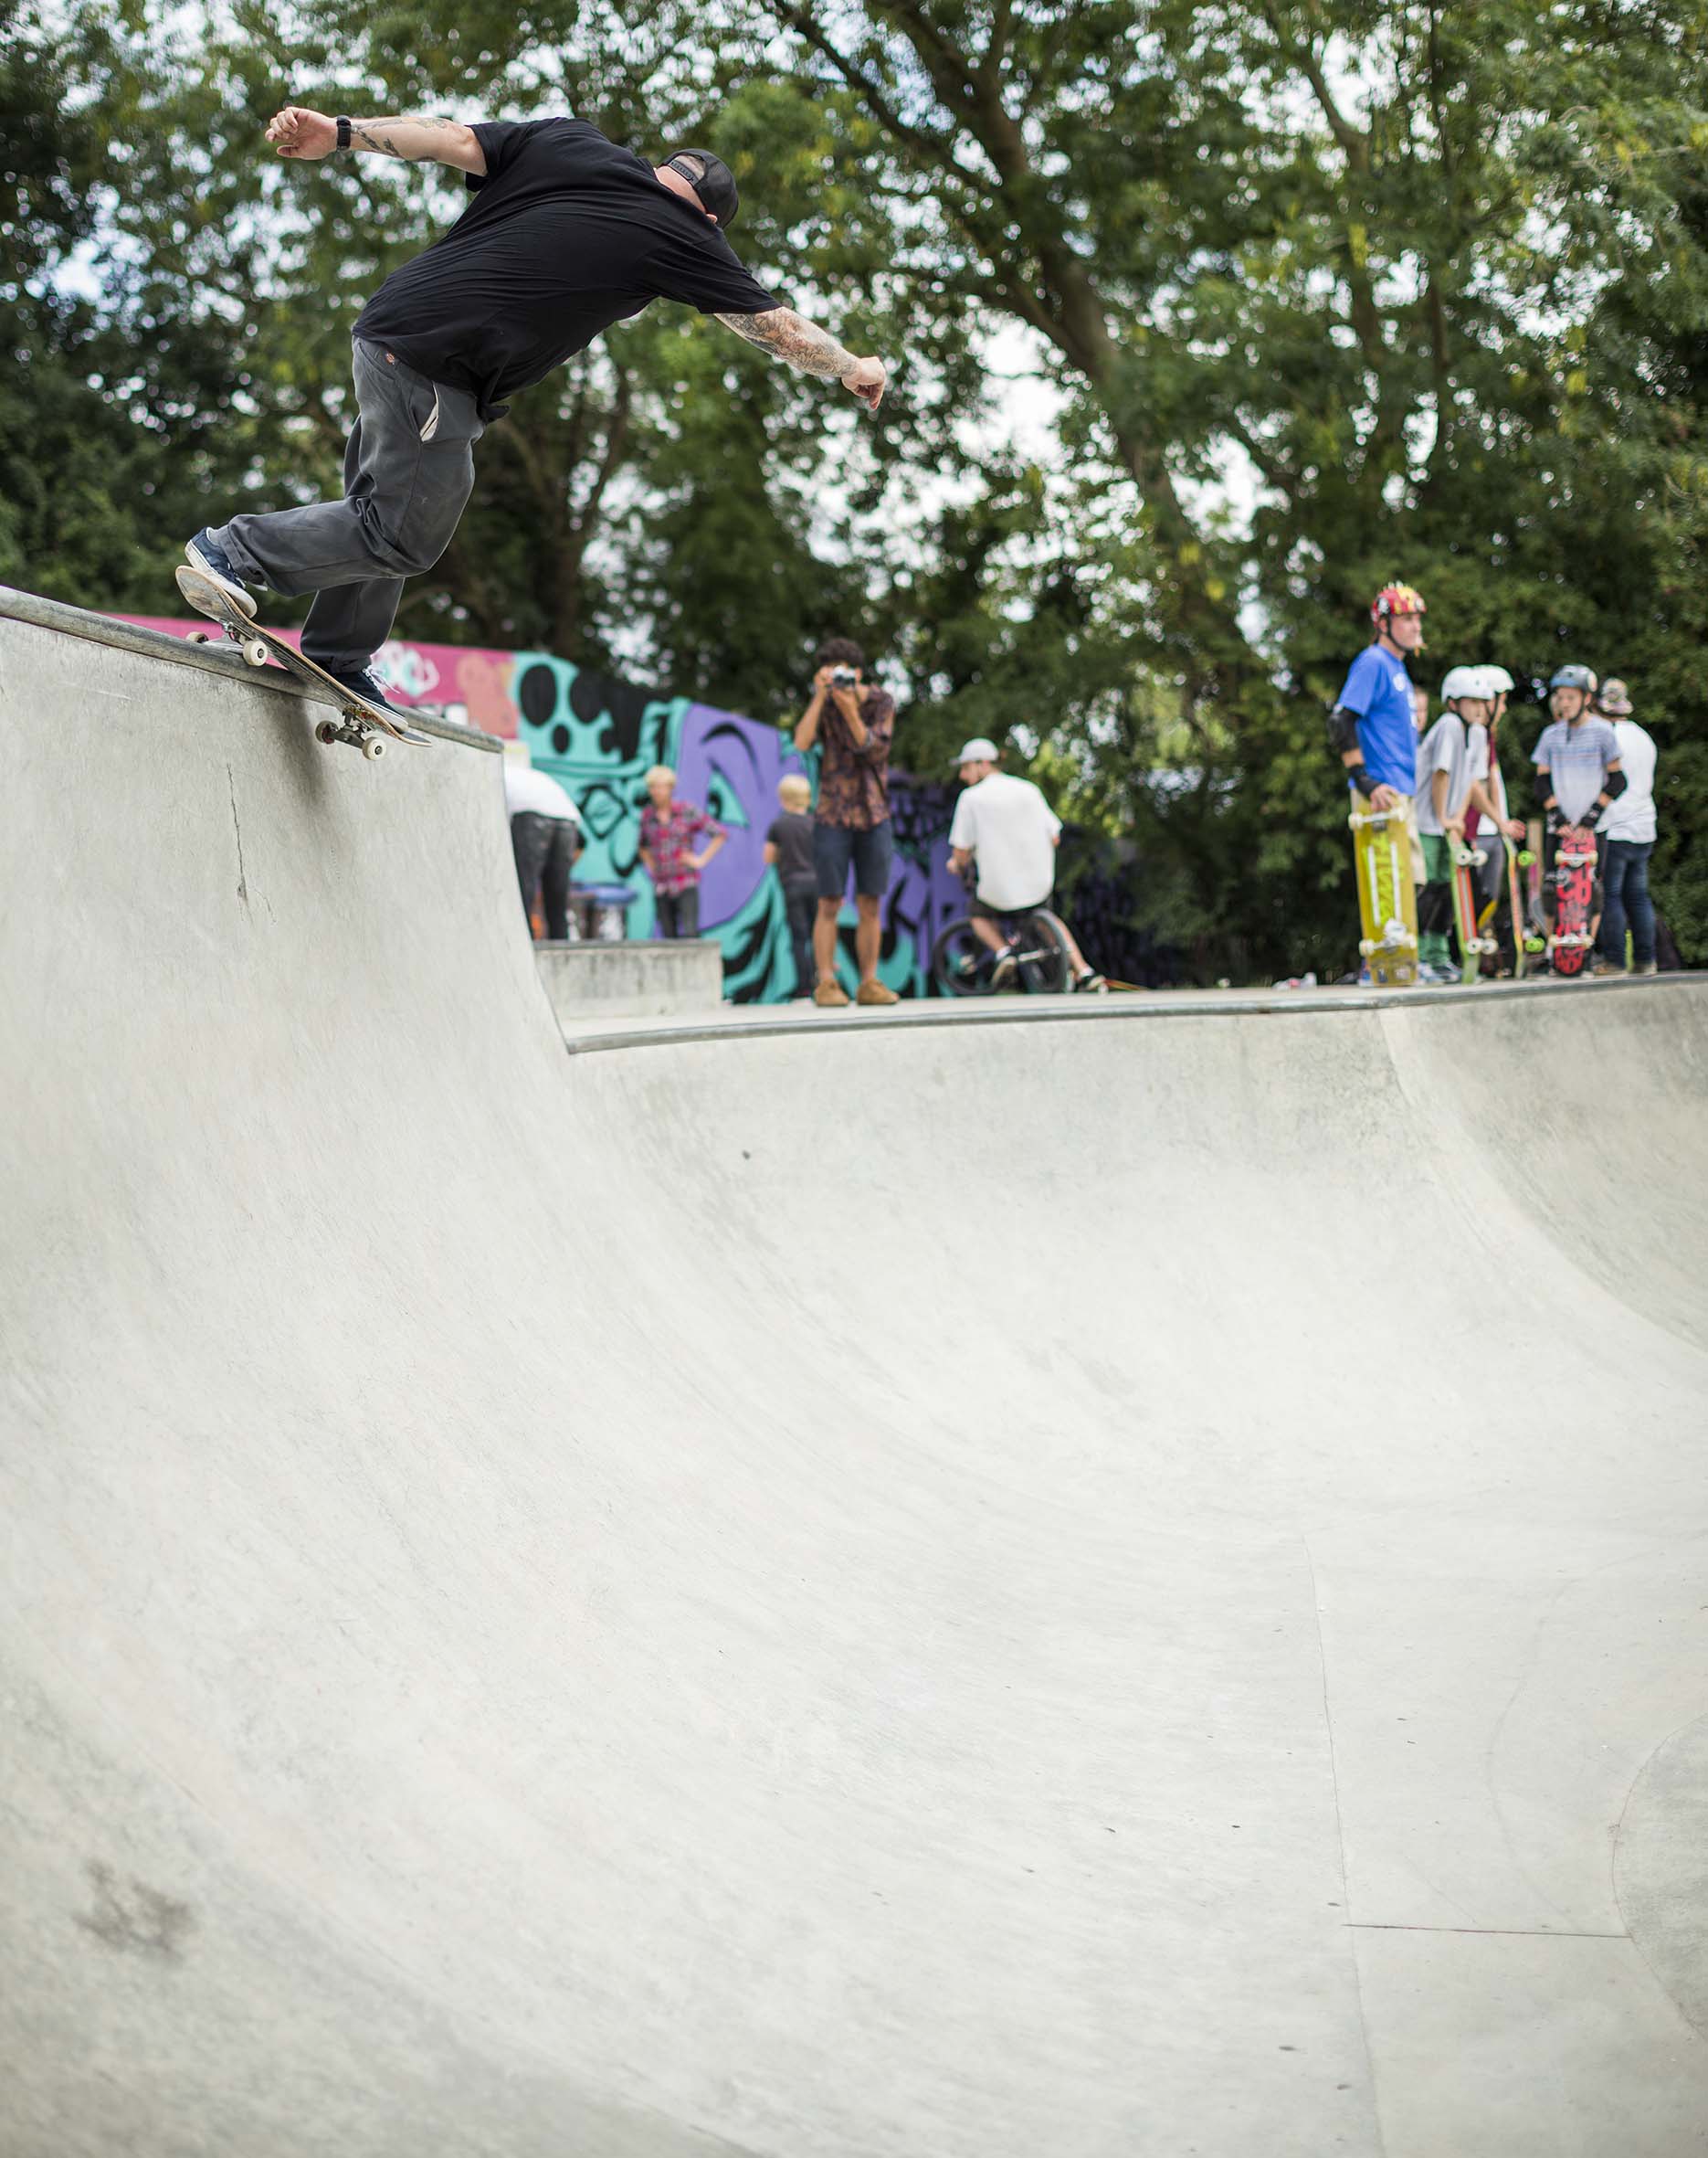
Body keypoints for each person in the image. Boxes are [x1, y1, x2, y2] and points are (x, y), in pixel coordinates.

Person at [175, 109, 887, 708]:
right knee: (403, 534)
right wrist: (855, 367)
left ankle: (337, 653)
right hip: (438, 366)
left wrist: (341, 132)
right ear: (708, 216)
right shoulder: (685, 233)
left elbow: (450, 138)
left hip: (392, 326)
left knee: (386, 503)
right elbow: (774, 327)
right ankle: (231, 552)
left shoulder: (572, 143)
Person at [944, 740, 1106, 992]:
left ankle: (1003, 953)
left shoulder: (971, 798)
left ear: (984, 764)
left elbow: (961, 851)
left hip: (997, 889)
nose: (963, 776)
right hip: (1038, 883)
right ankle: (1083, 971)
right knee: (1047, 920)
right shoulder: (1028, 790)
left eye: (966, 768)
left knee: (978, 915)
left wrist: (956, 864)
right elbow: (1054, 836)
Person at [794, 639, 899, 1009]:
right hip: (832, 815)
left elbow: (872, 748)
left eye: (844, 672)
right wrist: (821, 698)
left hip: (874, 814)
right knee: (829, 902)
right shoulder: (824, 703)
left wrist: (849, 708)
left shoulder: (881, 702)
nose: (839, 679)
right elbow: (802, 742)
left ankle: (869, 982)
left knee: (870, 902)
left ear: (857, 672)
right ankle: (826, 982)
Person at [1531, 665, 1625, 961]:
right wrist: (1557, 816)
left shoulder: (1602, 732)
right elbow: (1541, 781)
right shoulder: (1551, 735)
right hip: (1560, 828)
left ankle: (1585, 951)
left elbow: (1618, 780)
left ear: (1586, 698)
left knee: (1592, 891)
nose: (1564, 703)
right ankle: (1553, 952)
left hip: (1593, 828)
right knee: (1551, 889)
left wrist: (1590, 817)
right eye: (1560, 697)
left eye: (1571, 697)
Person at [1412, 666, 1495, 983]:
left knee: (1449, 890)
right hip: (1427, 821)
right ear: (1452, 703)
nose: (1478, 707)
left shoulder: (1476, 732)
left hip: (1447, 822)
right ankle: (1419, 956)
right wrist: (1444, 817)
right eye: (1470, 701)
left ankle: (1438, 955)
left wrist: (1458, 818)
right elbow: (1441, 775)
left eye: (1482, 701)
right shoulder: (1448, 725)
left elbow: (1470, 782)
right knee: (1430, 888)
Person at [1460, 665, 1526, 972]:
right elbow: (1473, 783)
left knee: (1487, 899)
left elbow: (1492, 779)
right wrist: (1500, 822)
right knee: (1478, 899)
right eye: (1503, 699)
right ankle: (1464, 958)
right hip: (1478, 829)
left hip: (1490, 829)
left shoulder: (1486, 734)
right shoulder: (1475, 733)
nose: (1505, 708)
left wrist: (1502, 821)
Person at [1592, 678, 1659, 976]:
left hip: (1616, 825)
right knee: (1639, 895)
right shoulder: (1643, 736)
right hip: (1645, 824)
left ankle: (1615, 960)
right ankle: (1646, 959)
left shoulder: (1607, 736)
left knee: (1612, 895)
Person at [502, 742, 583, 940]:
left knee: (524, 891)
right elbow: (582, 844)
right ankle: (561, 945)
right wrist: (560, 870)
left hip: (530, 816)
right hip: (568, 819)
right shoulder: (535, 776)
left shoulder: (499, 773)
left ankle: (524, 943)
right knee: (557, 897)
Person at [638, 765, 723, 939]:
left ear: (670, 788)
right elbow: (642, 846)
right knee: (669, 936)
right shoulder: (648, 816)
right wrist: (652, 867)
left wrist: (700, 860)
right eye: (653, 787)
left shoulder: (686, 811)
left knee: (690, 933)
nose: (656, 791)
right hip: (662, 885)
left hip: (685, 882)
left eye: (661, 786)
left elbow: (719, 833)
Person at [763, 774, 818, 999]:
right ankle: (821, 981)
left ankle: (803, 986)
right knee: (819, 935)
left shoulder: (779, 825)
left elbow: (768, 857)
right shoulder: (815, 823)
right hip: (817, 884)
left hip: (792, 884)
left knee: (798, 938)